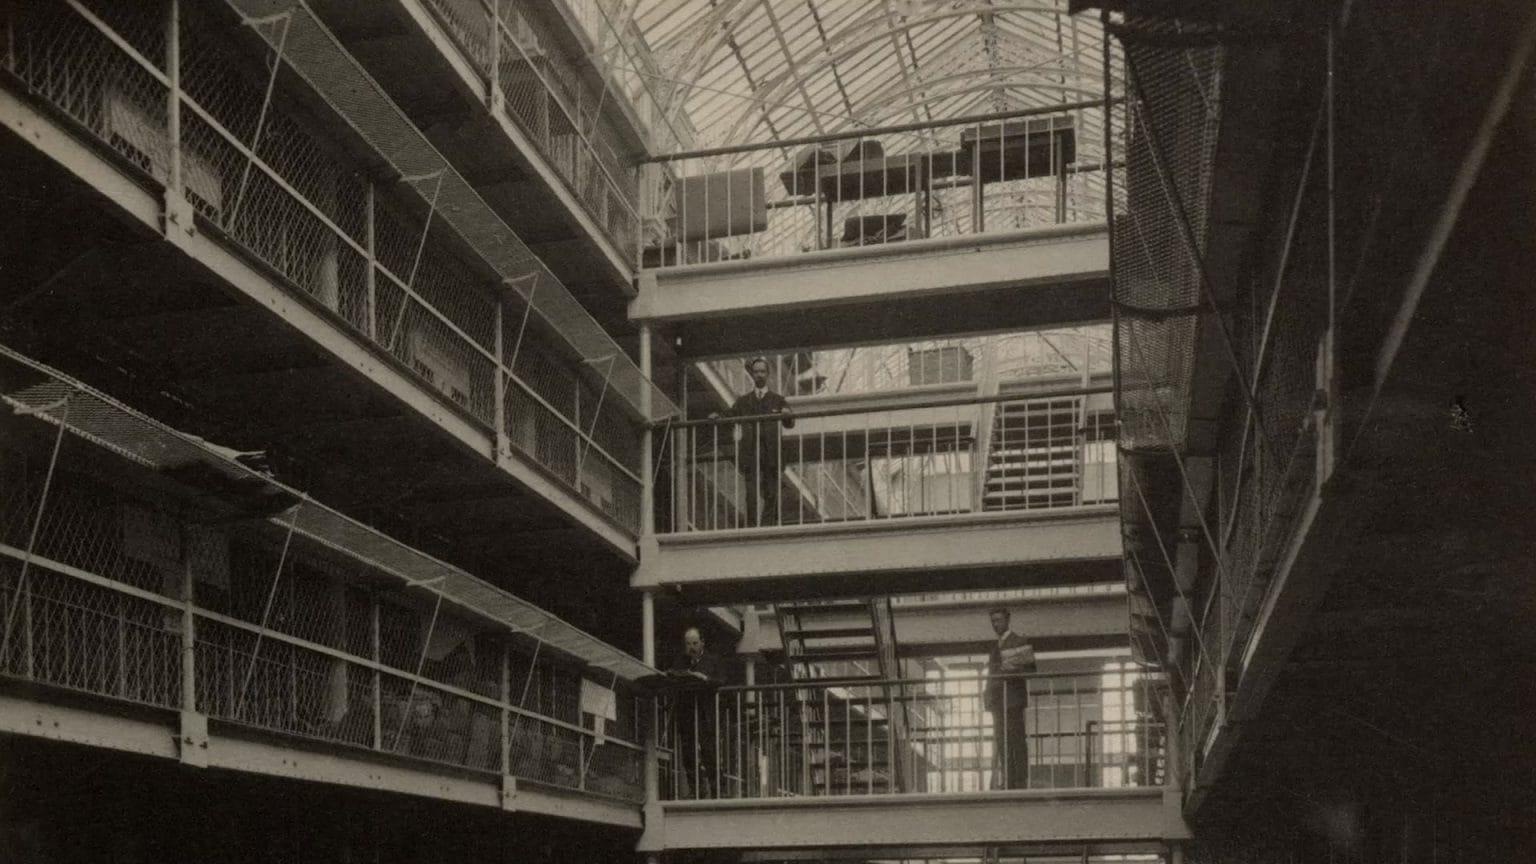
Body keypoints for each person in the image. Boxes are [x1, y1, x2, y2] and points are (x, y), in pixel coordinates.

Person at [719, 356, 794, 526]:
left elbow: (789, 423)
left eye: (762, 371)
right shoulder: (743, 401)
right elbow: (730, 415)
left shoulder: (778, 399)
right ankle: (752, 526)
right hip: (751, 451)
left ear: (768, 374)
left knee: (770, 492)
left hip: (771, 452)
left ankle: (767, 525)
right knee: (751, 493)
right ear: (752, 374)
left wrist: (787, 414)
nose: (759, 375)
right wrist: (718, 417)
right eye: (756, 372)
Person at [984, 607, 1034, 789]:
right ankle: (1008, 779)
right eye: (993, 621)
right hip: (998, 702)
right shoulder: (994, 647)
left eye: (998, 620)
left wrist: (1010, 668)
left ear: (1008, 620)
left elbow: (1030, 668)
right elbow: (991, 675)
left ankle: (1019, 780)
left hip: (1012, 700)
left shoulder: (1019, 641)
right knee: (1002, 741)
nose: (996, 625)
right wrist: (988, 699)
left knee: (1016, 740)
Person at [669, 626, 722, 797]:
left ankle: (716, 790)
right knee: (689, 753)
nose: (691, 647)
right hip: (687, 713)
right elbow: (674, 677)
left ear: (702, 643)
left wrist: (705, 679)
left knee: (709, 752)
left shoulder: (712, 661)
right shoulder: (681, 661)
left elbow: (721, 680)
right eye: (688, 643)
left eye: (694, 643)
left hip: (705, 713)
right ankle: (696, 789)